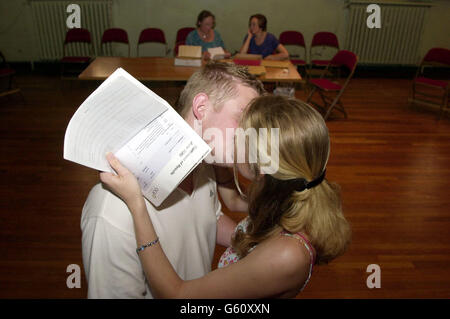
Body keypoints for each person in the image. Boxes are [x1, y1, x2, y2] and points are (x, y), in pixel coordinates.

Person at [100, 95, 352, 298]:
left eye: (241, 135)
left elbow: (177, 294)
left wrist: (136, 204)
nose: (231, 138)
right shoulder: (289, 192)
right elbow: (231, 203)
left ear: (262, 167)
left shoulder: (287, 255)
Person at [81, 62, 265, 298]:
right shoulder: (111, 212)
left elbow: (209, 219)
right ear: (202, 107)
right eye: (244, 117)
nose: (253, 133)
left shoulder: (205, 166)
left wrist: (255, 246)